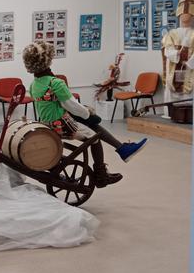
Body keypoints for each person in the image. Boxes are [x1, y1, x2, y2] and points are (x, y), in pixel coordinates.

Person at [22, 41, 147, 188]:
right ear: (48, 60)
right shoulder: (55, 83)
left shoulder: (34, 84)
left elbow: (57, 106)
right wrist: (88, 113)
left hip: (47, 125)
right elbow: (72, 106)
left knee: (89, 122)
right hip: (63, 125)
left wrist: (84, 114)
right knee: (95, 137)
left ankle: (122, 149)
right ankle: (101, 174)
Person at [161, 0, 194, 107]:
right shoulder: (171, 33)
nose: (185, 16)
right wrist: (177, 53)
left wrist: (189, 62)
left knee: (189, 103)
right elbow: (167, 51)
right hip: (173, 72)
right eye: (183, 13)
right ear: (179, 14)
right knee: (172, 104)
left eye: (188, 13)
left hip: (190, 73)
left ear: (192, 15)